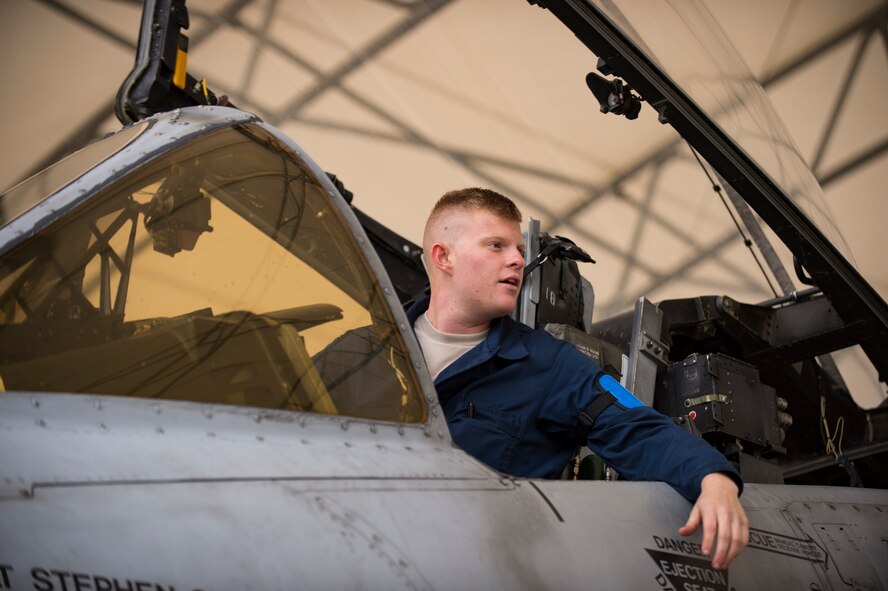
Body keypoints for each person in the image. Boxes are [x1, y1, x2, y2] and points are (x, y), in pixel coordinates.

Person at [406, 187, 748, 570]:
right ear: (444, 257)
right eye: (495, 245)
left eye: (518, 249)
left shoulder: (550, 364)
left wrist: (712, 478)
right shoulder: (367, 349)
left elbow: (635, 425)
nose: (517, 260)